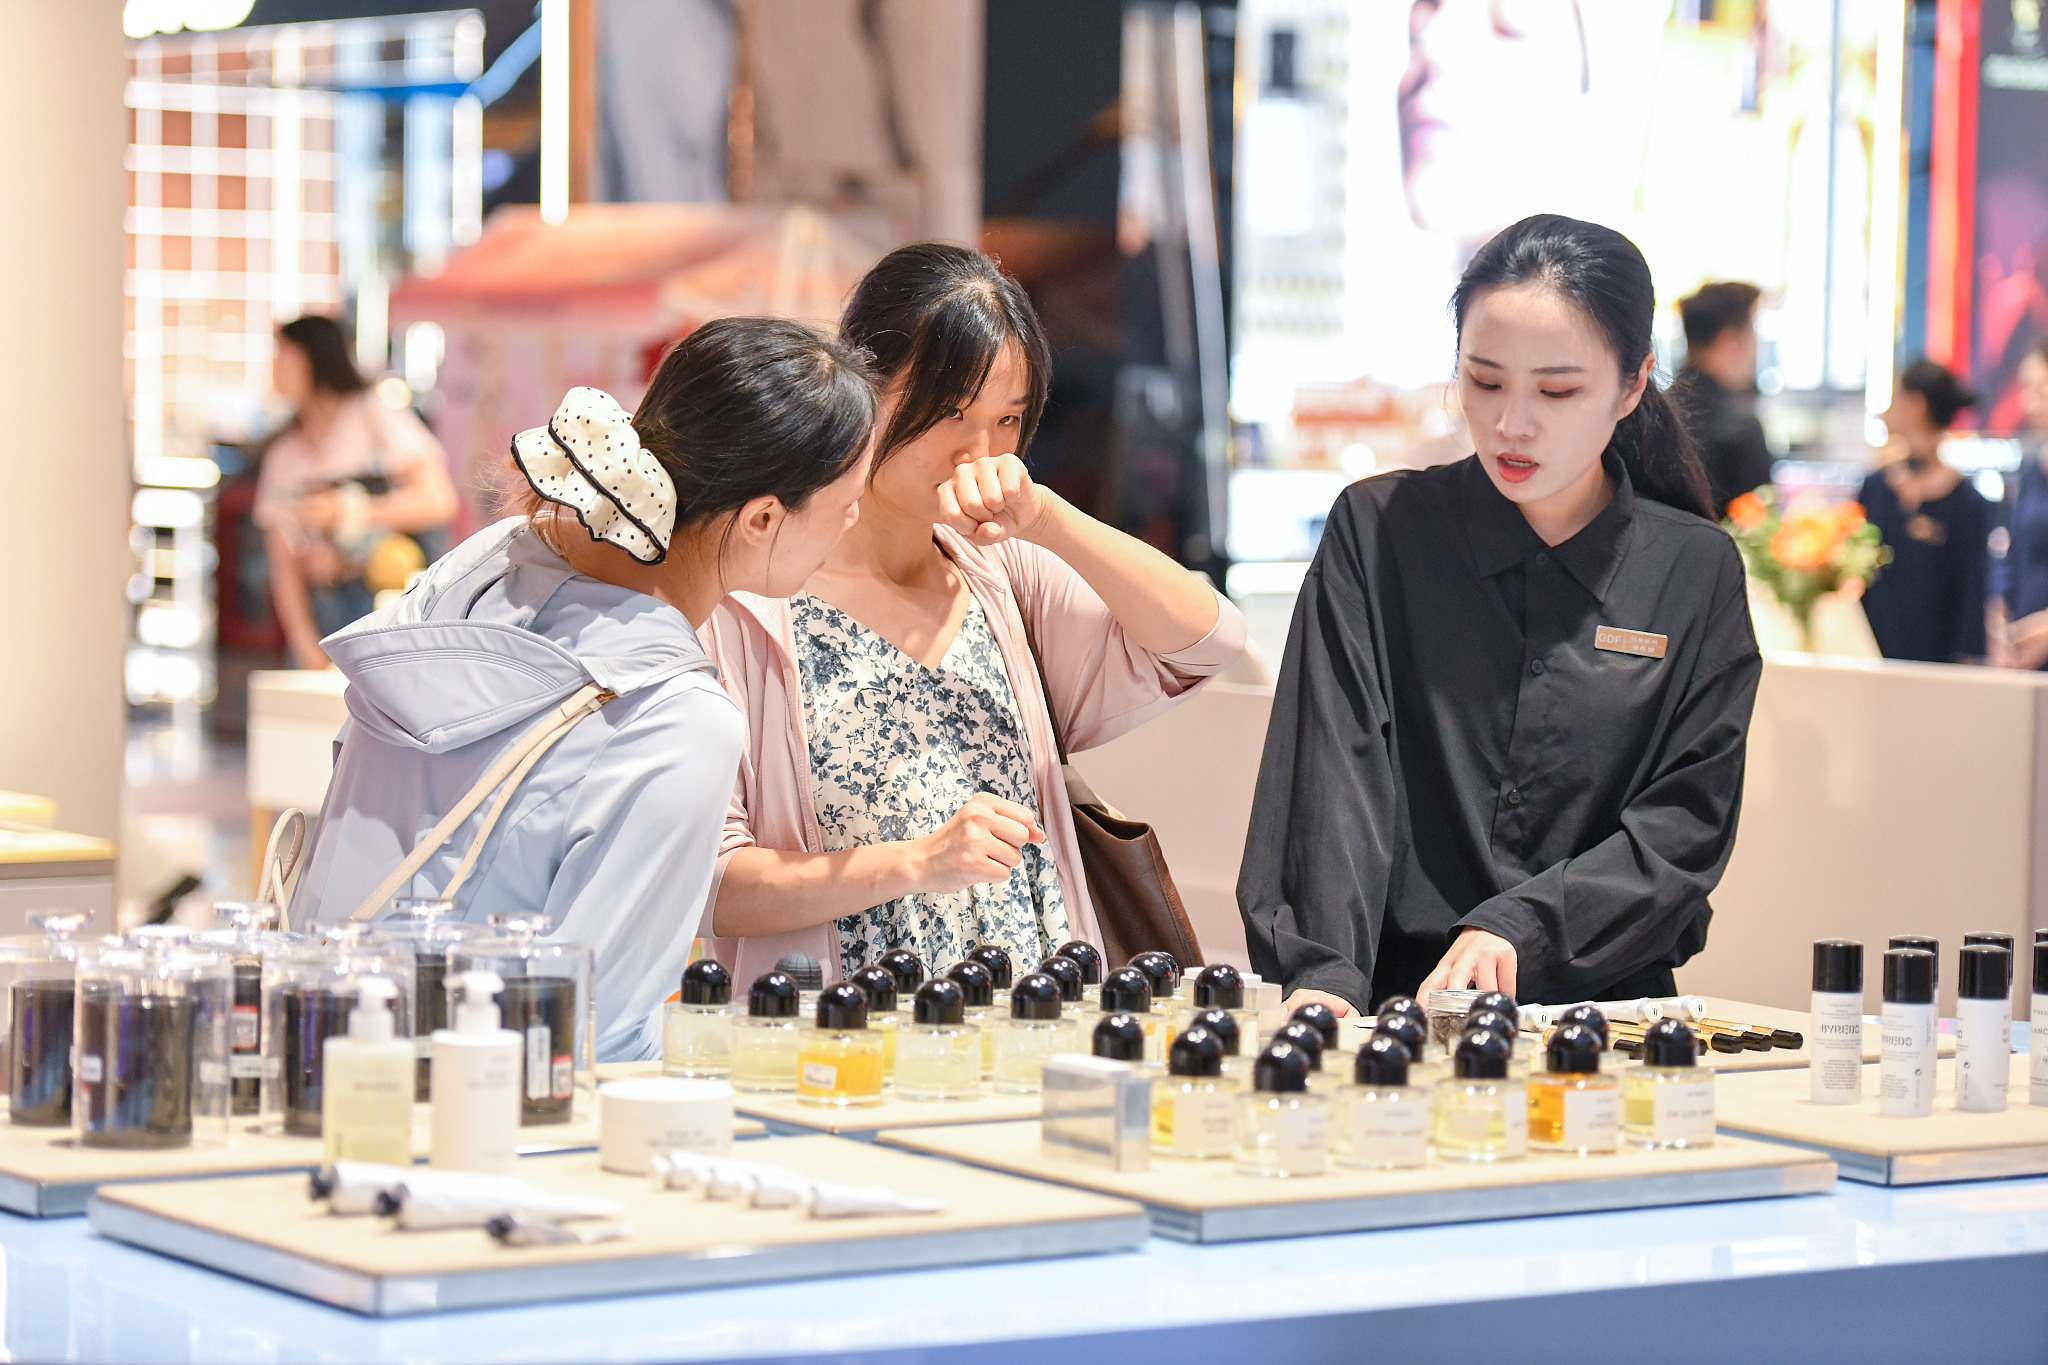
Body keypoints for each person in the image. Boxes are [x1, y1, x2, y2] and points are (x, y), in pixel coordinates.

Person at [290, 318, 877, 1061]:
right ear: (762, 517)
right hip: (478, 1116)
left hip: (316, 1049)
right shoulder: (676, 718)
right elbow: (595, 1028)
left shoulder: (483, 567)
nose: (854, 518)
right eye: (846, 499)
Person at [1239, 214, 1760, 1014]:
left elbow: (1683, 827)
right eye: (1484, 381)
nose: (1513, 423)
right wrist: (1325, 975)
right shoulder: (1380, 532)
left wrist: (1525, 928)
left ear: (1632, 385)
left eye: (1557, 390)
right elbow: (1331, 773)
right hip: (1392, 1009)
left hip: (1603, 1018)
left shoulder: (1693, 570)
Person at [700, 244, 1247, 985]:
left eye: (1009, 419)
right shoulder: (746, 603)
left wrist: (1047, 516)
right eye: (951, 412)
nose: (980, 452)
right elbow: (715, 885)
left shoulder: (1001, 571)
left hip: (1038, 1022)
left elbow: (1209, 638)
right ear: (862, 383)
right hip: (847, 1045)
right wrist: (916, 863)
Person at [255, 315, 460, 669]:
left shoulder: (371, 415)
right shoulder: (284, 452)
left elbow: (438, 501)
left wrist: (350, 512)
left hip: (383, 606)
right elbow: (282, 563)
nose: (272, 366)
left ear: (311, 357)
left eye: (282, 354)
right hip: (322, 611)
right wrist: (303, 643)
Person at [1858, 360, 1991, 665]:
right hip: (1871, 654)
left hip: (1936, 665)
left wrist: (1969, 658)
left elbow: (1971, 593)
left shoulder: (1967, 502)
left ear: (1916, 405)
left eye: (1896, 396)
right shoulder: (1875, 486)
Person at [1670, 282, 1775, 518]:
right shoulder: (1740, 429)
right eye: (1753, 333)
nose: (1756, 348)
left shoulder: (1651, 413)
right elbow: (1755, 529)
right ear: (1730, 342)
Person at [1992, 339, 2048, 669]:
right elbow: (2013, 556)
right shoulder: (2030, 468)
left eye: (2038, 389)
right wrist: (1999, 614)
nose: (2028, 402)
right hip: (2025, 651)